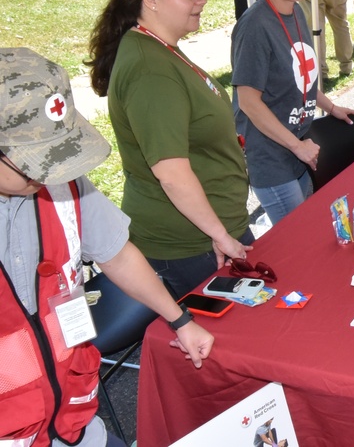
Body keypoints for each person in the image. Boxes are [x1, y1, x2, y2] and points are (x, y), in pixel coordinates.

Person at [1, 48, 216, 447]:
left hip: (74, 425)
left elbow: (116, 254)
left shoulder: (61, 182)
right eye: (33, 161)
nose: (49, 173)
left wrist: (180, 320)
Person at [87, 0, 255, 298]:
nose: (202, 0)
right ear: (151, 0)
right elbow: (173, 173)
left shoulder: (159, 48)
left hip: (210, 231)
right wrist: (220, 235)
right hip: (190, 244)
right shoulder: (151, 71)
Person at [231, 0, 354, 225]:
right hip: (272, 158)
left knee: (309, 228)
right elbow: (248, 102)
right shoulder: (254, 27)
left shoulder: (296, 10)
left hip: (299, 148)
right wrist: (296, 146)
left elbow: (303, 79)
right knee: (302, 236)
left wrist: (330, 107)